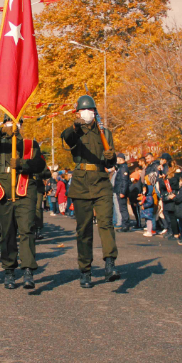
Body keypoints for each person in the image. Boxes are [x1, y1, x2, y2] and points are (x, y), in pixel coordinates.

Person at [60, 95, 120, 288]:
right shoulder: (75, 131)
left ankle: (110, 262)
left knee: (106, 223)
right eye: (84, 110)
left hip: (101, 181)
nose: (88, 113)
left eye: (91, 110)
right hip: (81, 183)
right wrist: (76, 126)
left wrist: (111, 158)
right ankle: (85, 270)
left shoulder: (105, 132)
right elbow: (67, 138)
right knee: (84, 229)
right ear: (77, 113)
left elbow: (110, 161)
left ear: (95, 112)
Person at [0, 118, 46, 289]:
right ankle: (9, 270)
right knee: (7, 232)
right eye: (8, 122)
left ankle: (28, 270)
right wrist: (2, 131)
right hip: (4, 191)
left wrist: (23, 164)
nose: (13, 125)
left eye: (15, 122)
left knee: (27, 230)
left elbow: (40, 165)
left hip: (25, 190)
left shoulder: (29, 144)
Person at [32, 156, 51, 241]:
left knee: (38, 208)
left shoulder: (40, 158)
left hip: (38, 187)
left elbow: (47, 173)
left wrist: (41, 172)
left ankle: (38, 229)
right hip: (25, 186)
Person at [114, 153, 131, 231]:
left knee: (123, 209)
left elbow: (124, 181)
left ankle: (125, 225)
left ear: (121, 159)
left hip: (121, 191)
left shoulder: (124, 168)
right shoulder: (121, 167)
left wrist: (122, 192)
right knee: (122, 208)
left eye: (117, 159)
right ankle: (125, 224)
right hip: (119, 190)